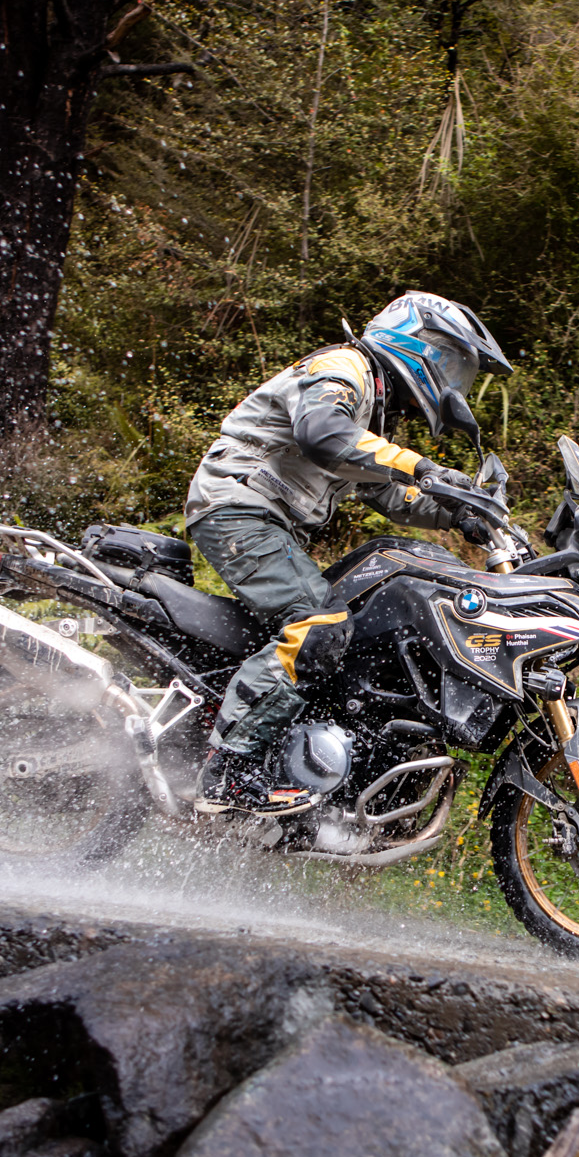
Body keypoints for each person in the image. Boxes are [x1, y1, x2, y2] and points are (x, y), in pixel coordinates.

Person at [184, 290, 512, 817]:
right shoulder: (344, 368)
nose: (454, 382)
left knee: (350, 626)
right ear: (414, 342)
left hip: (267, 524)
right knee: (318, 623)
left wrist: (460, 514)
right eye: (450, 363)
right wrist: (423, 467)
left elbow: (388, 493)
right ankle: (228, 771)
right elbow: (322, 433)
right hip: (237, 509)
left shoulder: (374, 415)